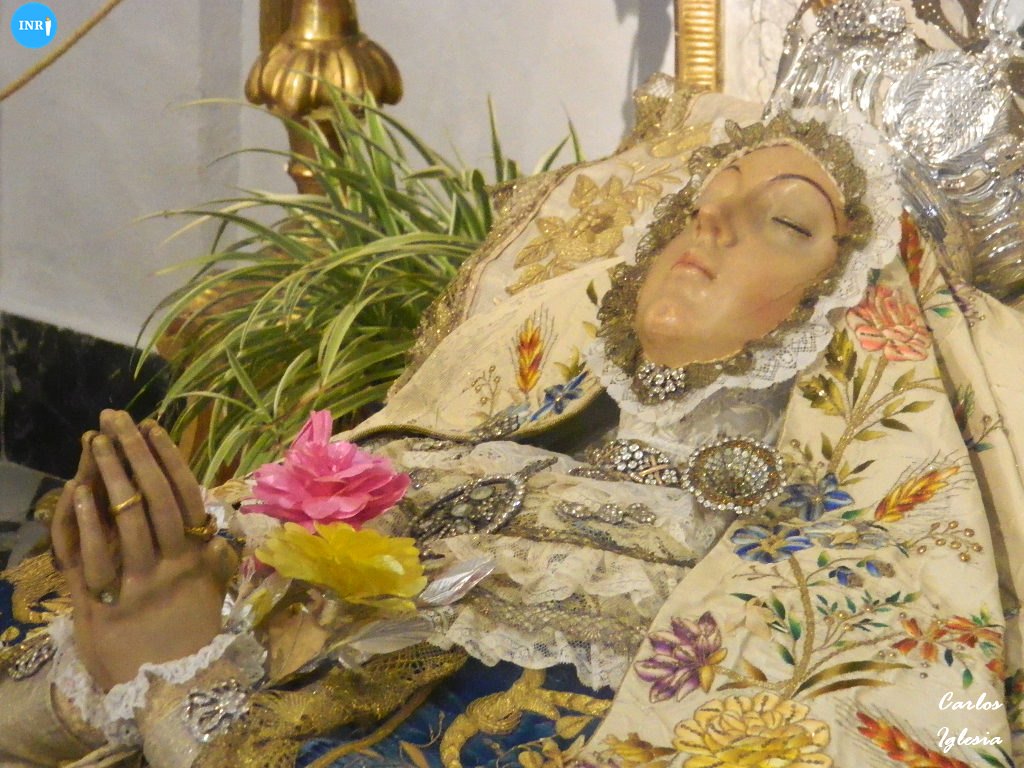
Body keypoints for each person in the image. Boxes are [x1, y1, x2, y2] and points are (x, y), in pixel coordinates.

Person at [3, 2, 1024, 766]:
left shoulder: (773, 596)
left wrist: (182, 688)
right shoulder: (467, 452)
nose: (708, 222)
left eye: (786, 222)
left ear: (855, 312)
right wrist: (117, 659)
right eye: (702, 198)